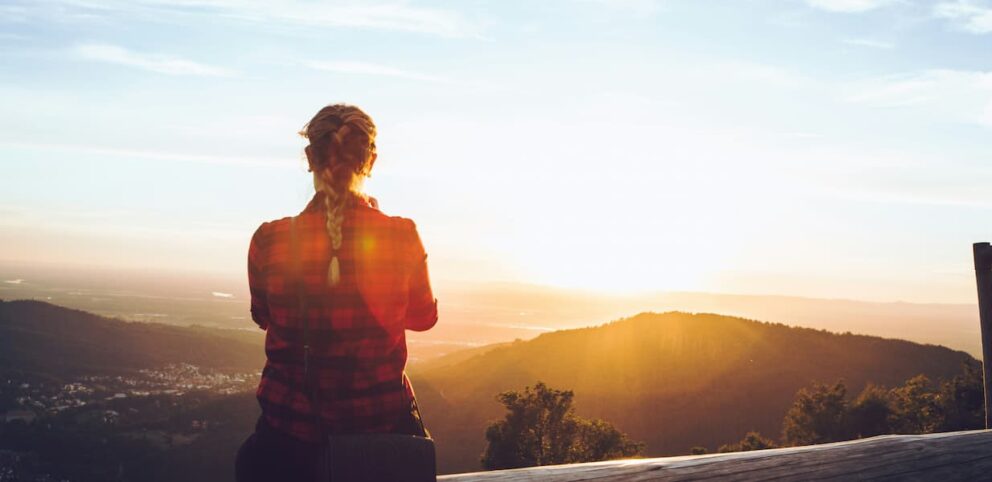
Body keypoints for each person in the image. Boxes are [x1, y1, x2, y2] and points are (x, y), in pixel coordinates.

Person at [235, 104, 438, 482]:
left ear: (311, 158)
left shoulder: (269, 240)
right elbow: (424, 318)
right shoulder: (401, 235)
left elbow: (265, 317)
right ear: (371, 161)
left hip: (287, 433)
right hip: (380, 427)